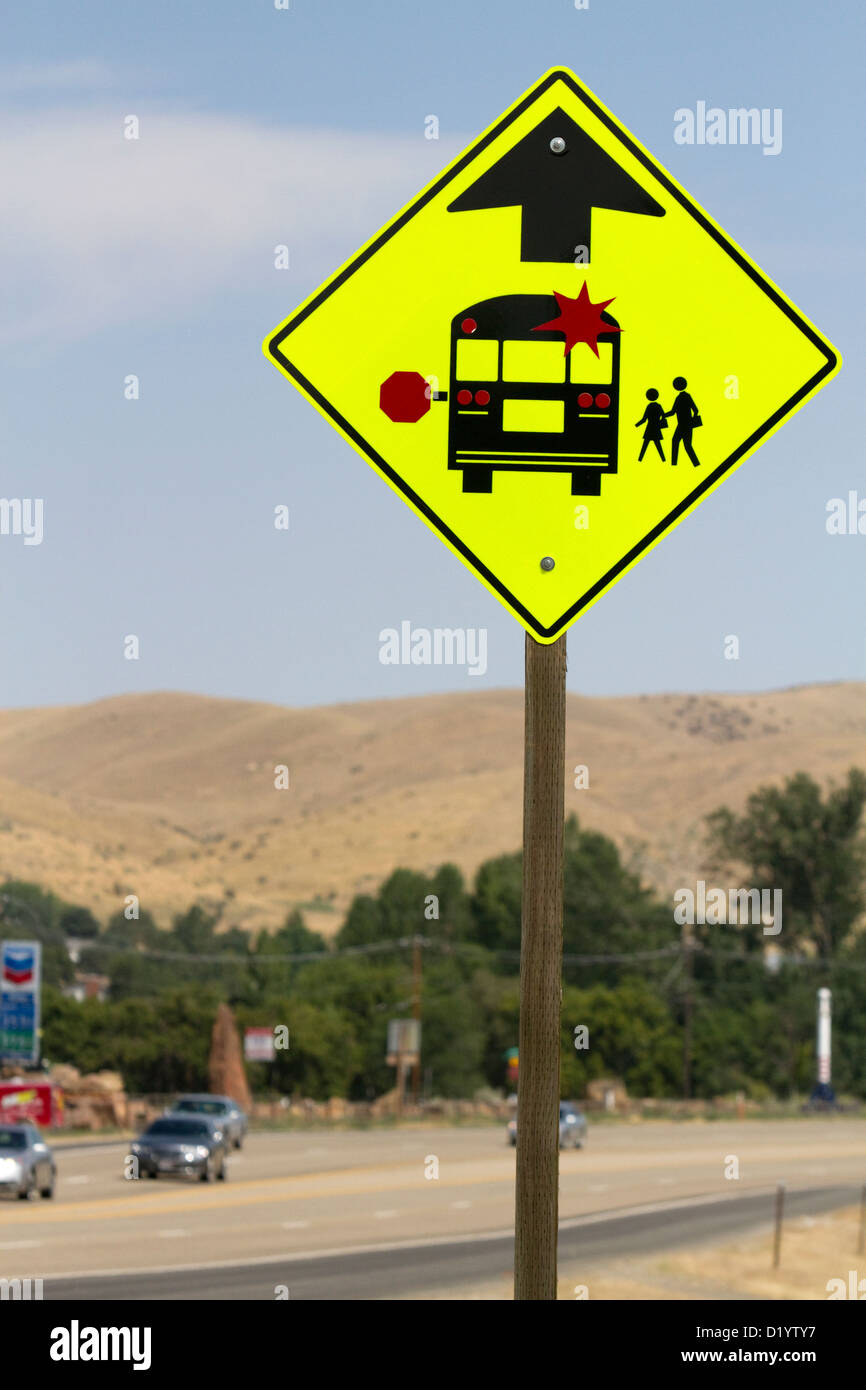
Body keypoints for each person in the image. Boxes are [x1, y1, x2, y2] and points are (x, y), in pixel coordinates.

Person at [666, 376, 701, 466]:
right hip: (685, 425)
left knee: (680, 443)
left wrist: (663, 415)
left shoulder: (680, 398)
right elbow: (695, 410)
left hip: (684, 425)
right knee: (685, 445)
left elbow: (673, 412)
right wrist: (692, 421)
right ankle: (694, 463)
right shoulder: (684, 397)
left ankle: (675, 463)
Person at [635, 388, 666, 461]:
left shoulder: (649, 406)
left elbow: (644, 419)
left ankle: (640, 459)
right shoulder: (658, 406)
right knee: (658, 445)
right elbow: (664, 415)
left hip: (649, 428)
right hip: (656, 428)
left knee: (645, 445)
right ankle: (663, 459)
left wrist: (636, 425)